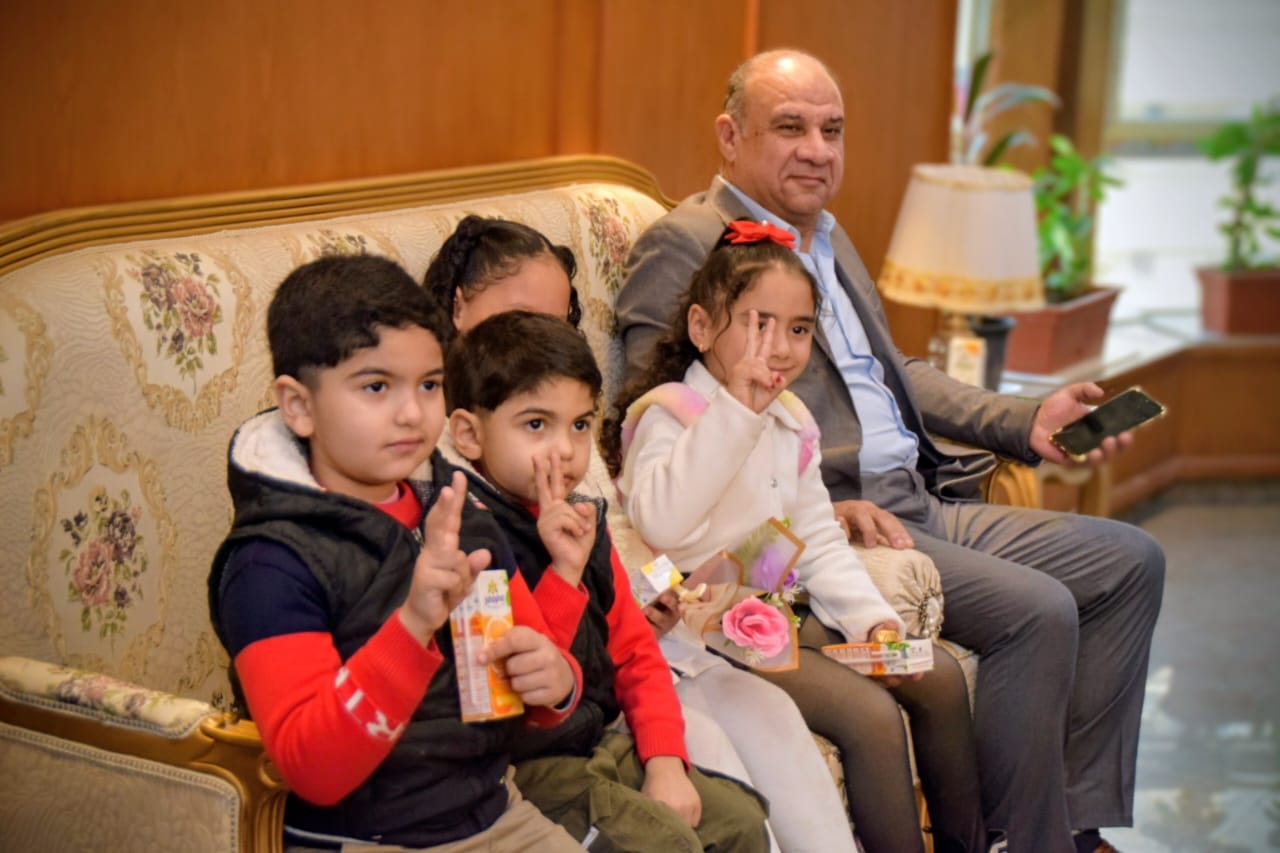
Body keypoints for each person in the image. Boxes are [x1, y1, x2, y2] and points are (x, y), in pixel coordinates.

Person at [616, 48, 1165, 853]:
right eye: (791, 127)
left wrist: (1023, 422)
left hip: (921, 491)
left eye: (832, 130)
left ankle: (1072, 827)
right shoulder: (689, 244)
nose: (818, 150)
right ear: (730, 137)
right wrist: (812, 501)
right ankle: (1024, 841)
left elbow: (889, 371)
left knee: (1131, 560)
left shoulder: (828, 238)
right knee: (1039, 610)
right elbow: (655, 402)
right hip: (847, 513)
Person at [425, 215, 851, 852]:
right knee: (700, 780)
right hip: (549, 729)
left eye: (559, 321)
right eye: (520, 316)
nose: (563, 447)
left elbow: (624, 547)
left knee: (758, 748)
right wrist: (575, 579)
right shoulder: (451, 486)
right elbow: (515, 686)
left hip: (639, 651)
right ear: (459, 308)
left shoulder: (567, 459)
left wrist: (657, 591)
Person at [604, 223, 986, 853]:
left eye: (799, 329)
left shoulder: (791, 419)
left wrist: (873, 624)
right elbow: (662, 524)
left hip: (779, 608)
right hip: (703, 629)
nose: (779, 348)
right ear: (701, 327)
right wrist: (736, 412)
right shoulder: (668, 414)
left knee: (934, 674)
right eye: (758, 325)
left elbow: (816, 537)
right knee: (869, 716)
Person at [208, 255, 587, 851]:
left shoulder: (462, 513)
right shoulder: (270, 564)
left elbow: (536, 679)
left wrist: (558, 680)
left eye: (429, 384)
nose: (413, 413)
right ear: (299, 405)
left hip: (495, 812)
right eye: (377, 386)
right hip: (365, 838)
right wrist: (413, 625)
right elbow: (314, 770)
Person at [444, 309, 769, 852]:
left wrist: (664, 761)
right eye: (536, 425)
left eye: (579, 425)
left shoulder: (583, 521)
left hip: (594, 745)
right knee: (664, 842)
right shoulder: (468, 539)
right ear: (469, 434)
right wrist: (563, 573)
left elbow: (636, 653)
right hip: (524, 768)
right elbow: (519, 693)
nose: (565, 450)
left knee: (739, 819)